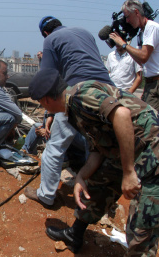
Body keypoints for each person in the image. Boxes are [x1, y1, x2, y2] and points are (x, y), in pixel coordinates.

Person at [29, 68, 159, 257]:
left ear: (46, 100)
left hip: (151, 148)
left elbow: (121, 114)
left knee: (143, 221)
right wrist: (81, 177)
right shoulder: (74, 110)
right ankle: (75, 234)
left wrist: (129, 171)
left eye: (40, 103)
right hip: (125, 149)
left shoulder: (81, 96)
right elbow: (98, 150)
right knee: (96, 187)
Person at [24, 16, 114, 207]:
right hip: (107, 91)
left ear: (45, 33)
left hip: (78, 92)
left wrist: (49, 115)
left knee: (55, 146)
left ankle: (46, 195)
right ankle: (94, 197)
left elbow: (48, 79)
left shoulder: (50, 40)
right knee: (97, 146)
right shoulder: (85, 32)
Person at [110, 0, 159, 110]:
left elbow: (143, 57)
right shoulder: (141, 33)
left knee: (150, 121)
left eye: (128, 17)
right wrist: (126, 45)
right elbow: (140, 61)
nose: (127, 21)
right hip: (151, 83)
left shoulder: (151, 27)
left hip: (156, 83)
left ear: (136, 12)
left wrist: (123, 44)